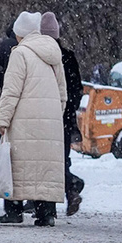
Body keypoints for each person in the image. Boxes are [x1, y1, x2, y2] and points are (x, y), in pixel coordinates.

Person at [0, 12, 67, 227]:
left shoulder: (20, 53)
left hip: (23, 120)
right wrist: (54, 113)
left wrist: (3, 119)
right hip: (50, 121)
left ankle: (13, 210)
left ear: (21, 34)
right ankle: (46, 213)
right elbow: (63, 93)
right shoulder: (55, 53)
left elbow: (11, 91)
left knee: (18, 165)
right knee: (44, 167)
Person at [42, 12, 86, 216]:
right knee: (62, 157)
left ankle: (67, 188)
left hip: (46, 114)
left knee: (44, 160)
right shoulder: (68, 56)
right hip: (66, 117)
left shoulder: (40, 56)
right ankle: (71, 187)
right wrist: (70, 107)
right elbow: (78, 88)